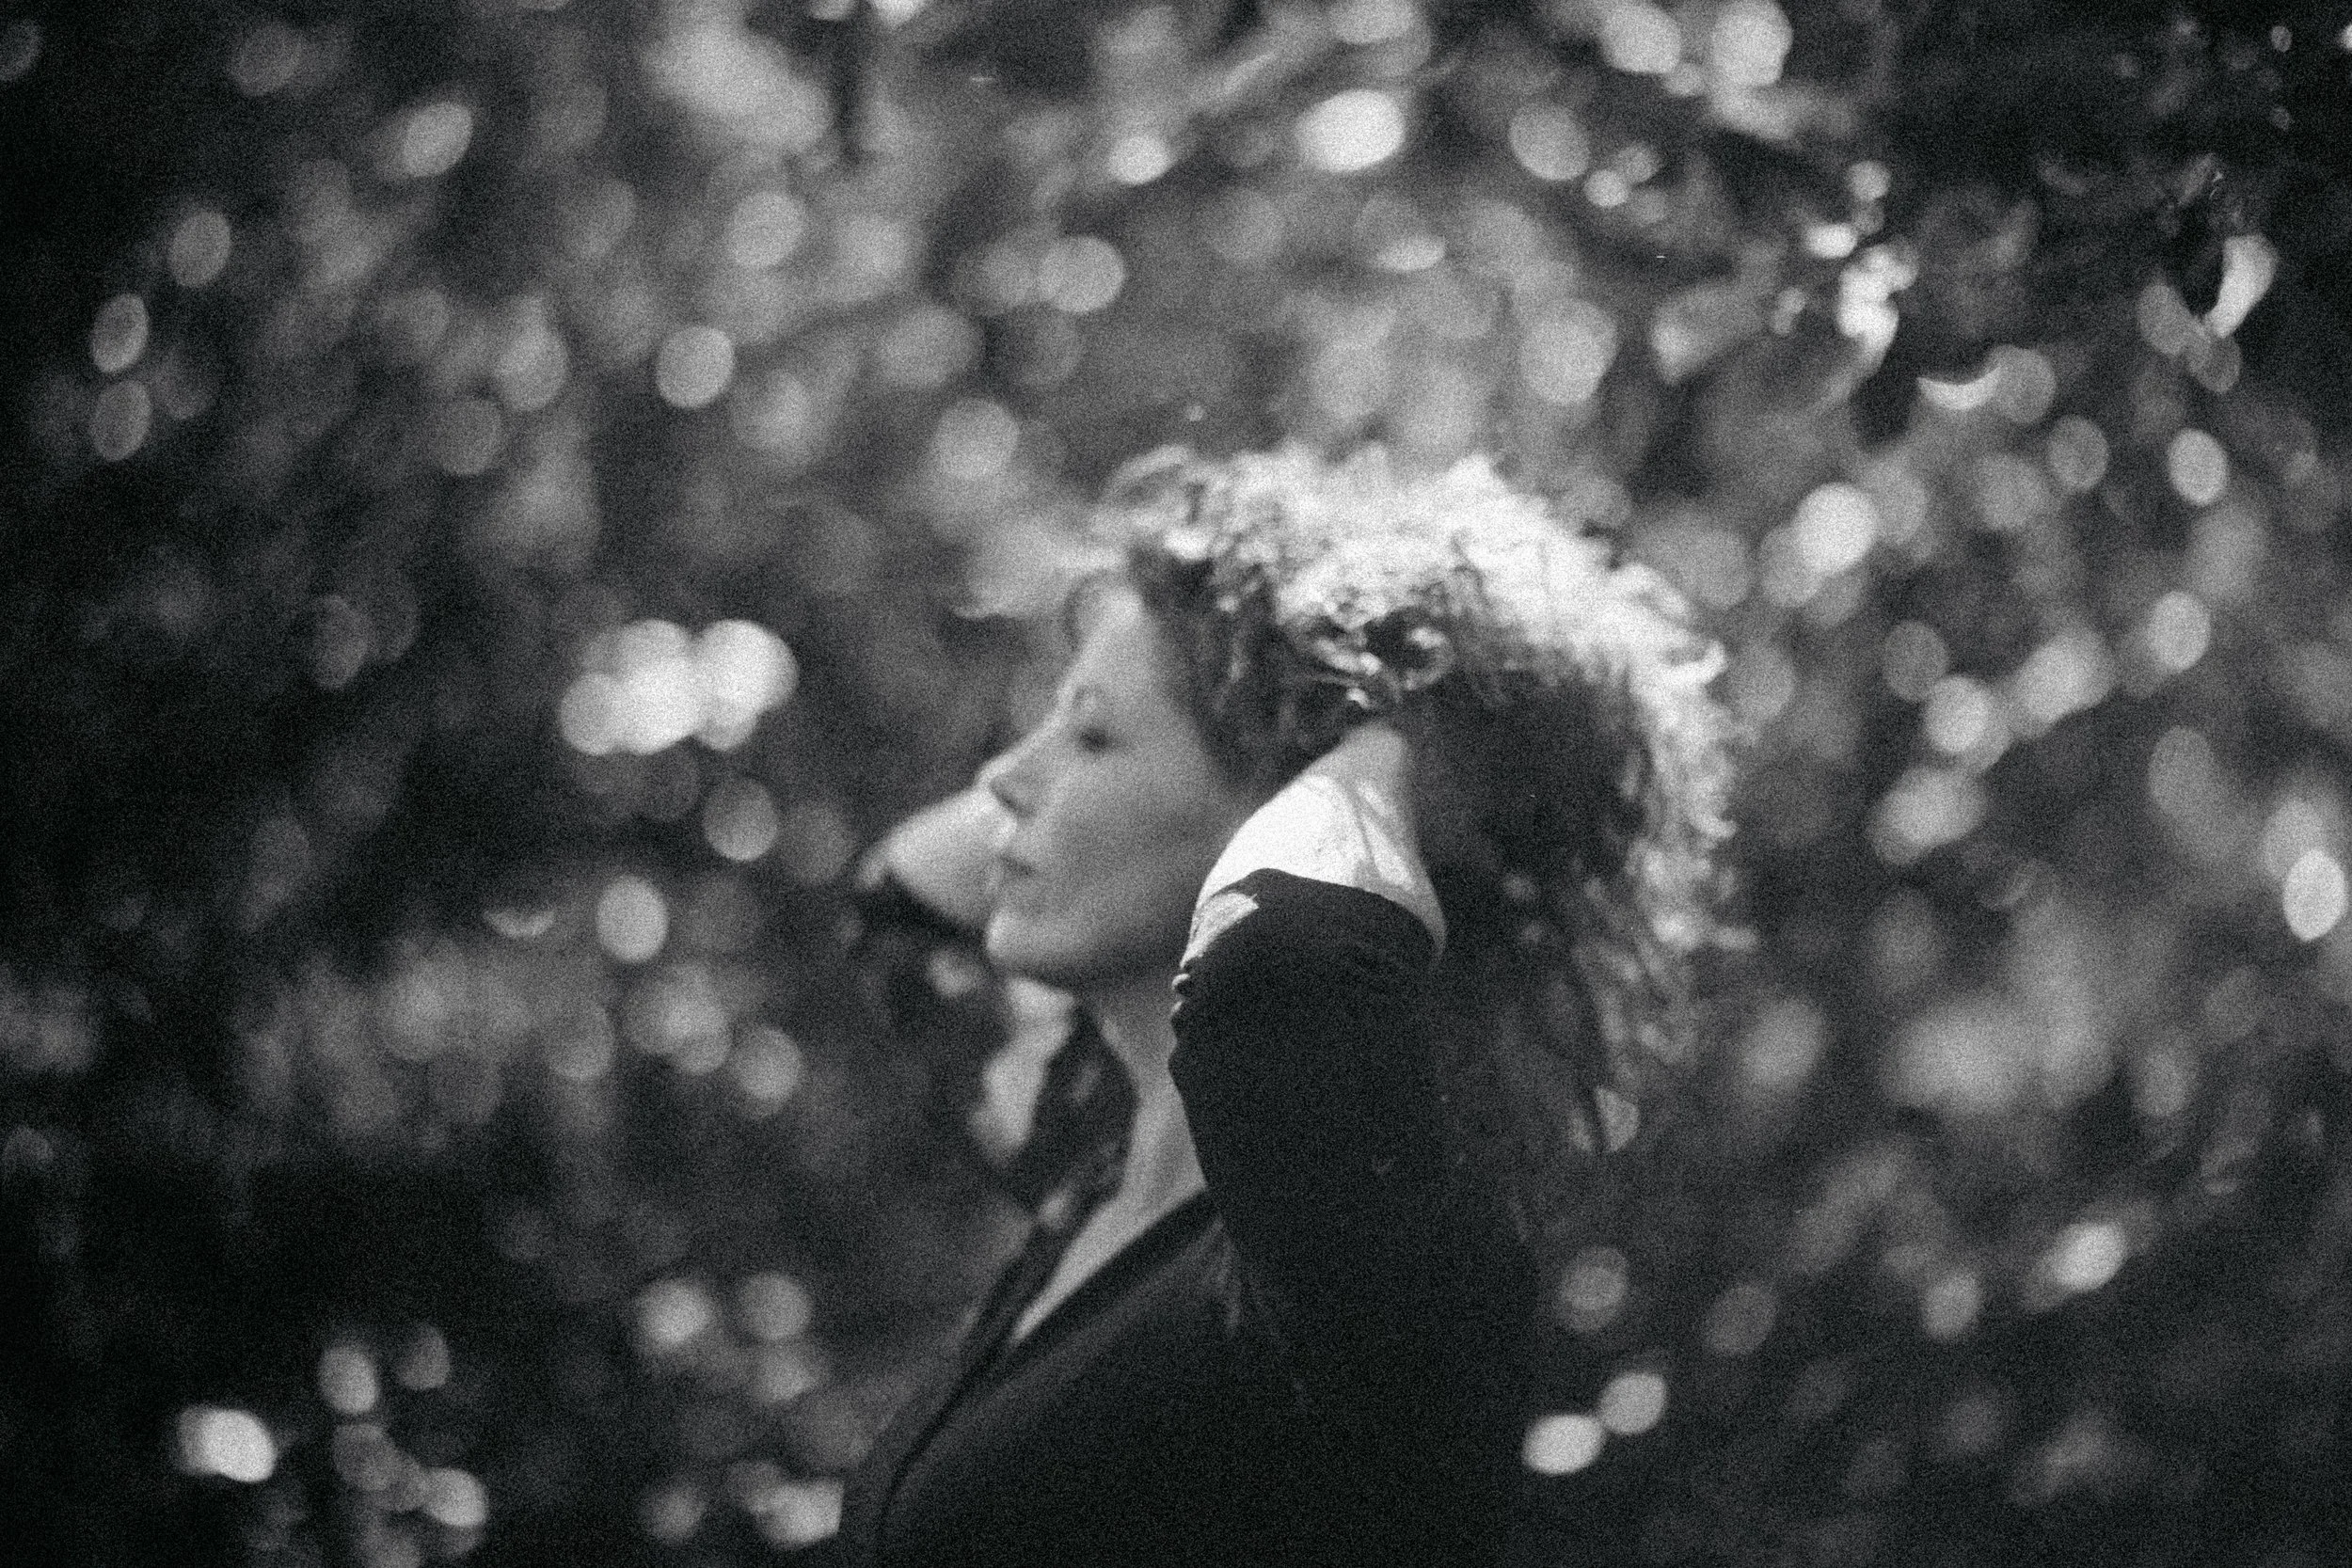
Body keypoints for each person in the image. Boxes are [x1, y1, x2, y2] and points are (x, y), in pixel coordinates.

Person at [829, 446, 1737, 1566]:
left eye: (1094, 735)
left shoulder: (1353, 1243)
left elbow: (1280, 964)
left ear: (1278, 816)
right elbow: (899, 902)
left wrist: (1398, 736)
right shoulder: (1096, 1158)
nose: (1005, 779)